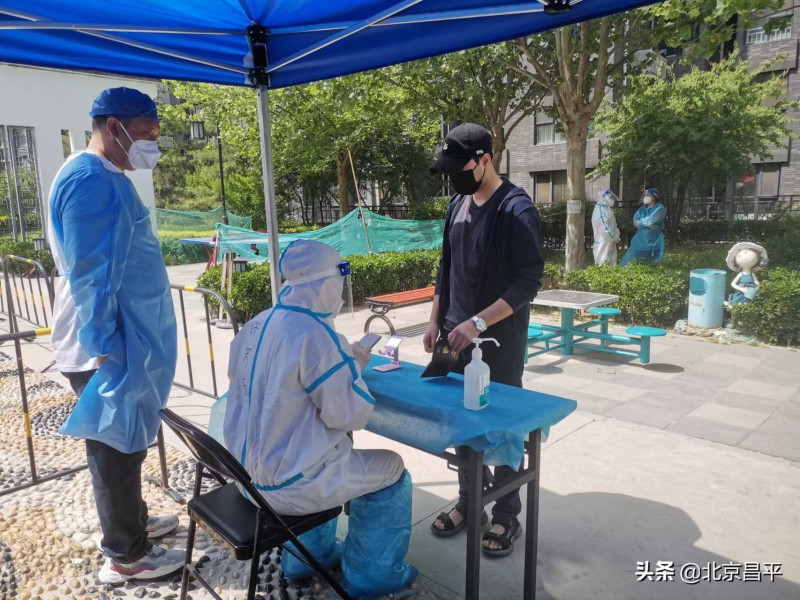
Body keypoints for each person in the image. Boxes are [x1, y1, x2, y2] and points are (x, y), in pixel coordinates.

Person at [224, 239, 416, 596]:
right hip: (293, 487)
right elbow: (349, 415)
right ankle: (372, 577)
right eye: (338, 280)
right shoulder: (317, 336)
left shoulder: (257, 323)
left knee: (322, 453)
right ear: (326, 284)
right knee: (392, 467)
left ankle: (307, 560)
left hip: (246, 479)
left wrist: (341, 365)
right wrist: (353, 368)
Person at [47, 87, 182, 584]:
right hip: (103, 344)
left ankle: (135, 523)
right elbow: (91, 273)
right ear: (113, 126)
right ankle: (126, 554)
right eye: (146, 133)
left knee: (127, 442)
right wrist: (104, 343)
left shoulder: (103, 174)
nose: (153, 144)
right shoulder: (90, 180)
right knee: (114, 450)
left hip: (118, 337)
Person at [425, 123, 544, 557]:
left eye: (460, 169)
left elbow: (528, 282)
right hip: (452, 335)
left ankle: (507, 515)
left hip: (497, 343)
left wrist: (477, 322)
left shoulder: (515, 209)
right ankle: (469, 501)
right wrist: (434, 320)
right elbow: (445, 267)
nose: (453, 178)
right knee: (462, 423)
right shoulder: (456, 205)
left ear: (485, 160)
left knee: (503, 428)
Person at [620, 188, 666, 266]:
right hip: (639, 240)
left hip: (654, 240)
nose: (645, 197)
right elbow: (635, 221)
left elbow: (651, 220)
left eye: (648, 195)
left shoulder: (659, 208)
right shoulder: (642, 209)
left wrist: (641, 223)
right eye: (645, 195)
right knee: (635, 261)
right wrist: (648, 225)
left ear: (654, 197)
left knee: (651, 262)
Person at [591, 189, 621, 266]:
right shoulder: (600, 210)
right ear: (603, 197)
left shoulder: (608, 209)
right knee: (602, 263)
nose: (612, 200)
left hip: (610, 240)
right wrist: (613, 237)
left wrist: (616, 236)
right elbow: (603, 227)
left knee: (612, 263)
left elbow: (614, 224)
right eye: (610, 197)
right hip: (603, 241)